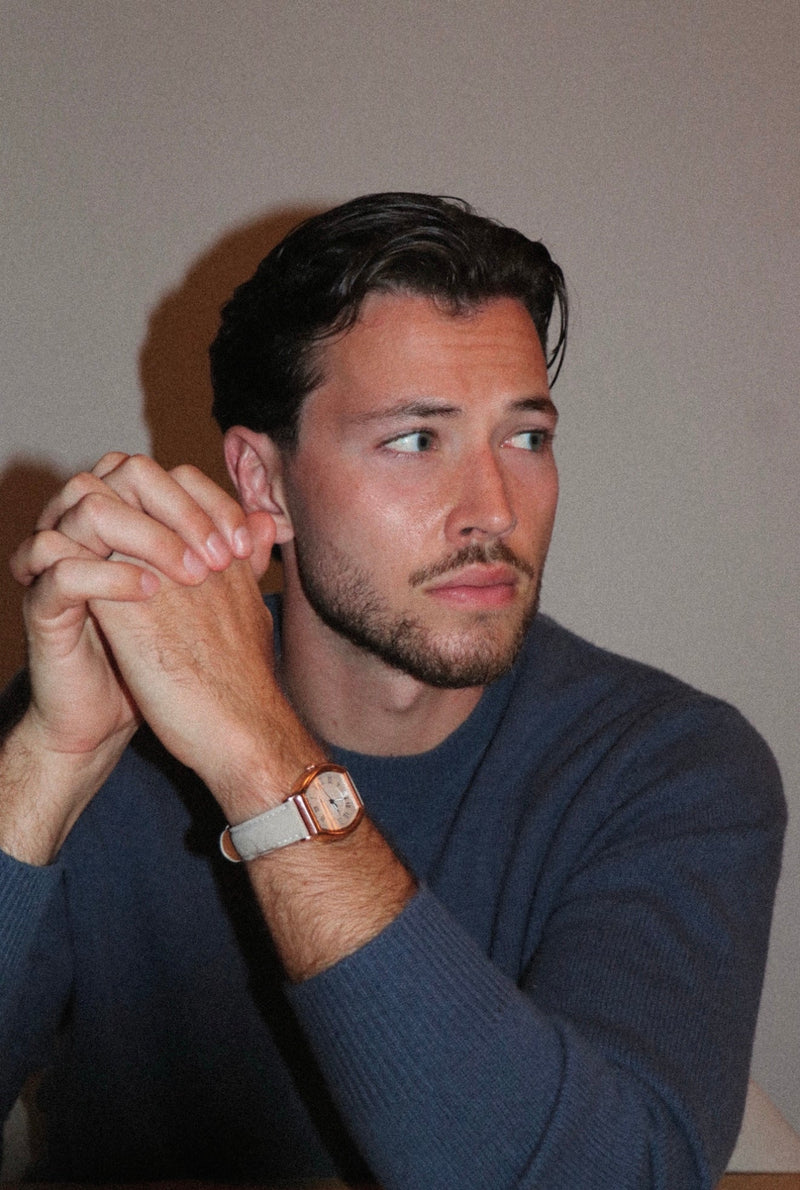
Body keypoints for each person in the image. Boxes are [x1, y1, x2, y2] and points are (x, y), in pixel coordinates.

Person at [0, 193, 785, 1189]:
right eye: (416, 440)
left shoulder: (668, 767)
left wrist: (259, 759)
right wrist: (50, 759)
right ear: (264, 482)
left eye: (526, 438)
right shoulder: (103, 724)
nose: (493, 509)